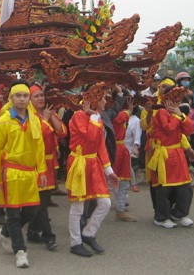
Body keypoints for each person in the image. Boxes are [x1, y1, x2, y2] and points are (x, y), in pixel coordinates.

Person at [0, 80, 47, 268]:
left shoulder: (34, 119)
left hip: (29, 173)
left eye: (25, 96)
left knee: (31, 210)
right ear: (11, 98)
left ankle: (4, 232)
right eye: (18, 96)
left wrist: (42, 170)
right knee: (14, 215)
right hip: (10, 173)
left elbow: (40, 148)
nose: (22, 99)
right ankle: (20, 250)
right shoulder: (4, 121)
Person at [66, 82, 119, 257]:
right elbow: (89, 137)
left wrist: (109, 171)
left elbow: (100, 146)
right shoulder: (79, 117)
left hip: (93, 164)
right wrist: (94, 118)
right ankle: (75, 242)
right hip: (79, 164)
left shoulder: (95, 117)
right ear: (94, 100)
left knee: (105, 203)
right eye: (103, 99)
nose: (105, 102)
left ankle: (88, 233)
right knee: (78, 207)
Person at [26, 83, 66, 250]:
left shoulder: (49, 112)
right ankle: (49, 236)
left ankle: (32, 232)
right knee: (41, 203)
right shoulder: (28, 116)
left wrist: (51, 118)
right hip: (36, 164)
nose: (41, 98)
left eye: (42, 95)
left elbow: (62, 132)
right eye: (36, 96)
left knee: (42, 200)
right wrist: (44, 120)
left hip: (50, 163)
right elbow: (35, 136)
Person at [148, 86, 194, 228]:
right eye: (174, 98)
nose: (176, 101)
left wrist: (180, 115)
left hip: (178, 155)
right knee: (164, 189)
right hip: (164, 155)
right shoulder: (161, 112)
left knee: (185, 188)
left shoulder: (177, 113)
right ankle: (161, 217)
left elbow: (189, 129)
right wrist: (177, 115)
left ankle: (179, 213)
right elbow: (168, 129)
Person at [111, 91, 138, 222]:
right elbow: (118, 119)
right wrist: (129, 111)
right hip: (113, 150)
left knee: (125, 181)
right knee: (109, 180)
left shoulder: (122, 114)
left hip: (122, 150)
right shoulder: (114, 113)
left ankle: (120, 209)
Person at [125, 105, 142, 192]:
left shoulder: (136, 120)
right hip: (117, 145)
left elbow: (137, 136)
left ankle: (134, 183)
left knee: (128, 166)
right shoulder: (119, 115)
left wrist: (136, 147)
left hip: (128, 146)